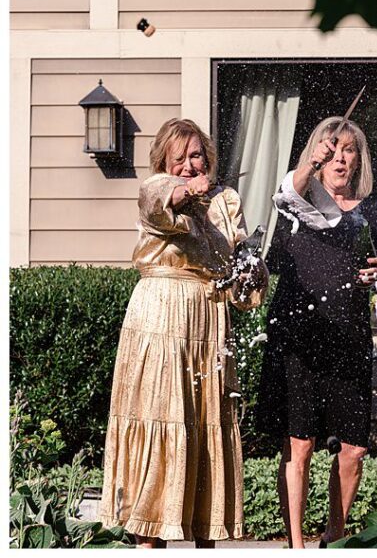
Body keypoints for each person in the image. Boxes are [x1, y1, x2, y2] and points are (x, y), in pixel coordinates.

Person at [100, 118, 269, 548]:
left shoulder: (227, 200)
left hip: (209, 322)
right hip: (161, 319)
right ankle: (146, 539)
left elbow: (240, 266)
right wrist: (184, 189)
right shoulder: (154, 187)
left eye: (197, 155)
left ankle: (204, 537)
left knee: (205, 423)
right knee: (160, 416)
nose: (191, 165)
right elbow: (163, 200)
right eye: (181, 158)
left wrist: (252, 272)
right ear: (164, 162)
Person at [255, 117, 377, 548]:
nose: (341, 158)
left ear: (360, 160)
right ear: (318, 156)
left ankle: (334, 538)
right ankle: (296, 545)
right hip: (299, 337)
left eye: (350, 151)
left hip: (349, 337)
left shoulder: (374, 211)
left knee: (353, 448)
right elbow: (285, 193)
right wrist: (309, 163)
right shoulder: (298, 204)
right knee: (300, 444)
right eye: (333, 150)